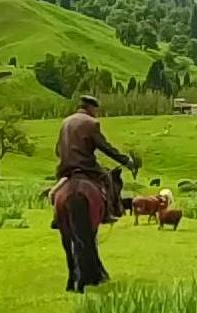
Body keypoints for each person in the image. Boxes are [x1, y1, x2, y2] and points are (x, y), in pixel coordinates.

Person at [49, 95, 135, 228]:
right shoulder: (91, 123)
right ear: (90, 108)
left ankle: (56, 217)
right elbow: (104, 147)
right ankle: (108, 213)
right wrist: (124, 160)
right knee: (107, 179)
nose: (96, 113)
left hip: (65, 168)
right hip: (86, 166)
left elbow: (57, 149)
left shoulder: (65, 122)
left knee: (57, 190)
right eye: (96, 110)